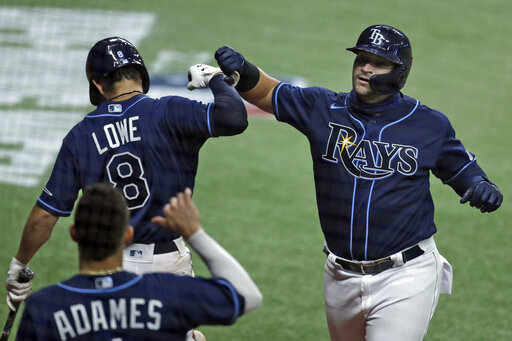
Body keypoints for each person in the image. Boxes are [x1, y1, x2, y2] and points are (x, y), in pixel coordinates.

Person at [212, 25, 503, 341]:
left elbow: (463, 172)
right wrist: (243, 69)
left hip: (406, 274)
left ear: (400, 71)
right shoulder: (324, 108)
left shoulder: (428, 124)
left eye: (378, 62)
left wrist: (481, 186)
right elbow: (269, 93)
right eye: (361, 58)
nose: (365, 67)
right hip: (340, 276)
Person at [6, 36, 247, 340]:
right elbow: (235, 118)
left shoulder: (80, 136)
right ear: (140, 75)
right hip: (168, 270)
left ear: (97, 85)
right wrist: (216, 79)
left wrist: (20, 263)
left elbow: (45, 215)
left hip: (108, 268)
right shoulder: (169, 111)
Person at [15, 183, 262, 340]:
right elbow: (249, 295)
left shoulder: (43, 307)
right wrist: (194, 233)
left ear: (74, 234)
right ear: (128, 236)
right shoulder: (165, 293)